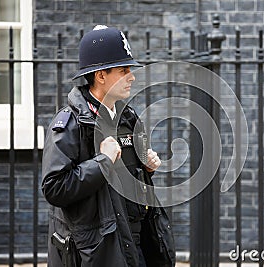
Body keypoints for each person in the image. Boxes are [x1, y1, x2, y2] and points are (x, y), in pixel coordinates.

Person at [41, 25, 175, 267]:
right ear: (101, 75)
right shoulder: (70, 123)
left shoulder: (128, 119)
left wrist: (146, 170)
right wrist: (102, 162)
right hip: (96, 254)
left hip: (135, 245)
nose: (132, 77)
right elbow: (54, 188)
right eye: (124, 70)